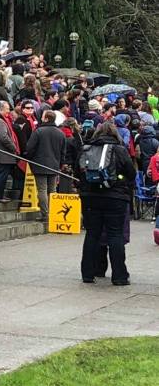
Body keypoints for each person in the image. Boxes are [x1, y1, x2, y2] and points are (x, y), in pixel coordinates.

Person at [77, 120, 135, 285]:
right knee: (115, 235)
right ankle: (119, 276)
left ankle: (88, 273)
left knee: (92, 234)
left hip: (90, 197)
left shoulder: (86, 149)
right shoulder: (119, 150)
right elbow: (131, 173)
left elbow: (78, 171)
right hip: (115, 197)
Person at [25, 109, 65, 220]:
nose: (41, 118)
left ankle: (45, 214)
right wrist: (60, 165)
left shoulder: (38, 131)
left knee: (42, 189)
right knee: (52, 190)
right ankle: (53, 213)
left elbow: (30, 148)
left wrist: (29, 158)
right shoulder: (60, 133)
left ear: (46, 118)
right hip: (54, 165)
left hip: (39, 164)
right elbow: (63, 152)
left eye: (43, 116)